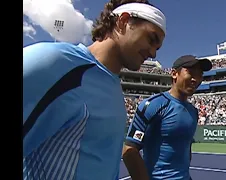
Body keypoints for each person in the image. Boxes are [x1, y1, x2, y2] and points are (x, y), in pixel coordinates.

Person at [23, 1, 166, 180]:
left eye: (158, 47)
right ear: (123, 21)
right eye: (151, 39)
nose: (153, 53)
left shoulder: (113, 88)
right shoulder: (54, 62)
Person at [122, 55, 213, 180]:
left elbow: (186, 148)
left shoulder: (193, 112)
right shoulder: (153, 105)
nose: (195, 79)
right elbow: (129, 151)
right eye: (191, 72)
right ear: (174, 74)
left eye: (200, 74)